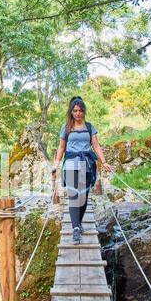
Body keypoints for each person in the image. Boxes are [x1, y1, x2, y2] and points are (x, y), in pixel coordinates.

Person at [51, 96, 111, 244]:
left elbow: (96, 146)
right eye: (75, 111)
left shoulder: (90, 127)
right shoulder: (66, 128)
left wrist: (103, 162)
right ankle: (76, 228)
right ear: (71, 112)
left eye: (80, 110)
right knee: (73, 197)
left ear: (84, 111)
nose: (78, 113)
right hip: (71, 164)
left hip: (86, 164)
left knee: (83, 197)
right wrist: (56, 164)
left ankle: (79, 222)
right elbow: (61, 147)